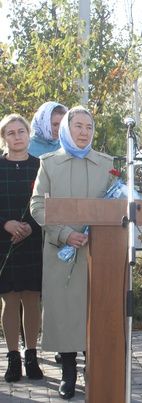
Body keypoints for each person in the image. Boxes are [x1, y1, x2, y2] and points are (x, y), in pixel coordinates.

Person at [30, 106, 114, 399]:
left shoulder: (106, 163)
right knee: (67, 312)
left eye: (88, 127)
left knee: (95, 310)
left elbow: (115, 205)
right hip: (62, 251)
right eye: (77, 126)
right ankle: (68, 372)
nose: (83, 132)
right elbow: (38, 206)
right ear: (66, 128)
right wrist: (65, 234)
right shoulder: (49, 164)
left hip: (100, 253)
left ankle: (95, 367)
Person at [0, 114, 44, 383]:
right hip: (4, 240)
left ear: (29, 135)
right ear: (4, 138)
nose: (17, 136)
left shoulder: (41, 167)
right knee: (10, 298)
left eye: (21, 131)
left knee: (31, 298)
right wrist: (6, 223)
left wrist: (29, 226)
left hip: (33, 240)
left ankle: (31, 355)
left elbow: (46, 204)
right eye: (11, 133)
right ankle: (13, 356)